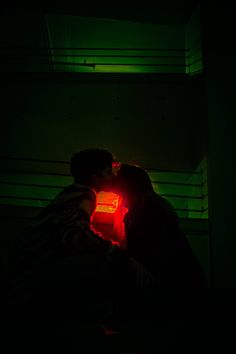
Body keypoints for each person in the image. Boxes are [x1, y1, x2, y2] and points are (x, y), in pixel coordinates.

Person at [5, 149, 156, 352]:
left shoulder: (73, 193)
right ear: (96, 177)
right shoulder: (84, 195)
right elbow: (73, 234)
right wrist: (115, 253)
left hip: (28, 270)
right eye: (108, 171)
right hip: (32, 274)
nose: (113, 176)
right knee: (109, 265)